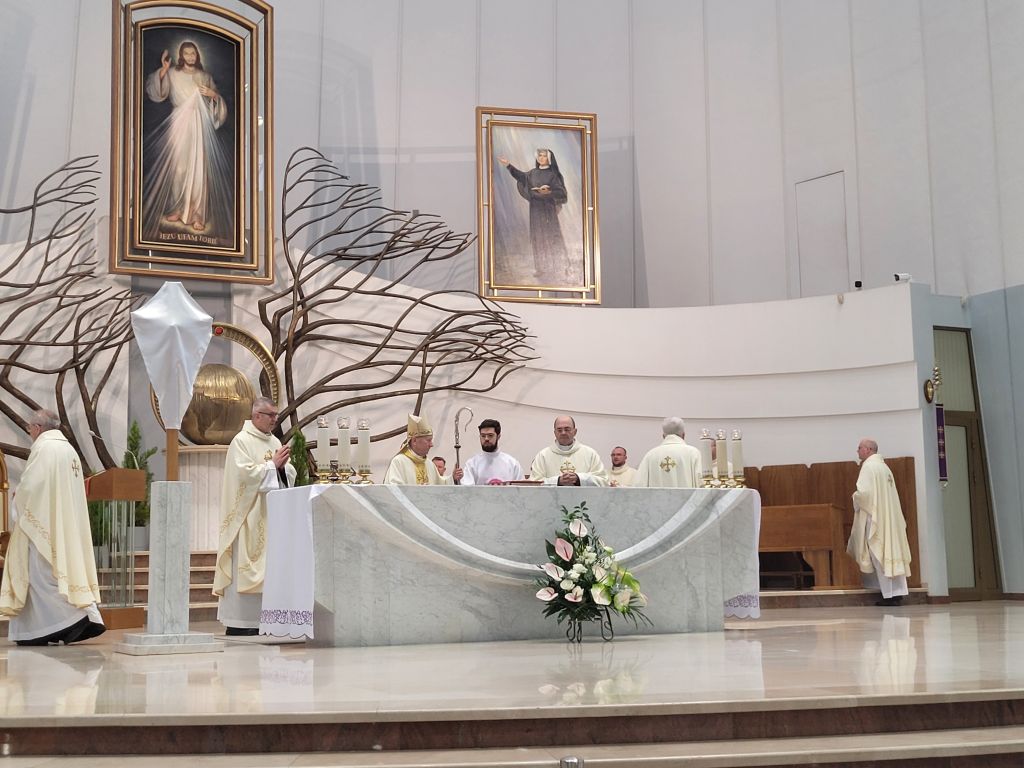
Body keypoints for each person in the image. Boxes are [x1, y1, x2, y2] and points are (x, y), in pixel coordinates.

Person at [0, 409, 105, 646]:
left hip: (43, 526)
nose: (30, 432)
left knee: (40, 577)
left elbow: (31, 486)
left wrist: (18, 498)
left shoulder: (44, 448)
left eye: (30, 428)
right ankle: (66, 623)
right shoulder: (68, 450)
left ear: (38, 428)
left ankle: (72, 621)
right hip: (65, 526)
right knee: (54, 576)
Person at [213, 397, 295, 636]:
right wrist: (272, 466)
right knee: (244, 566)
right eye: (271, 415)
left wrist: (282, 468)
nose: (275, 420)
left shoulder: (274, 441)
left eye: (276, 415)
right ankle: (240, 622)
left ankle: (265, 621)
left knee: (270, 569)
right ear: (257, 415)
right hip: (247, 517)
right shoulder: (241, 441)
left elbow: (288, 472)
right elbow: (242, 476)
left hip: (270, 516)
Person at [142, 40, 233, 245]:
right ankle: (178, 208)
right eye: (187, 53)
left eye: (193, 53)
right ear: (181, 55)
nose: (190, 56)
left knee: (199, 168)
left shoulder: (205, 76)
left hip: (199, 123)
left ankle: (197, 214)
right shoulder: (173, 73)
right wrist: (163, 70)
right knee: (179, 167)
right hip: (179, 121)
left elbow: (215, 104)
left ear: (197, 55)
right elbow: (157, 92)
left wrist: (214, 95)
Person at [846, 439, 912, 606]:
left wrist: (854, 497)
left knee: (879, 553)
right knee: (891, 553)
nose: (857, 450)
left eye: (859, 448)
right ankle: (898, 593)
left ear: (868, 449)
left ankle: (888, 595)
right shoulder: (884, 467)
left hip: (875, 517)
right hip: (888, 518)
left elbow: (865, 495)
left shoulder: (868, 466)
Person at [498, 149, 567, 281]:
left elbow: (562, 193)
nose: (541, 158)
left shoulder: (554, 175)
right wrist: (508, 165)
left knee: (550, 236)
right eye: (539, 155)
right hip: (535, 209)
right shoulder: (532, 173)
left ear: (549, 159)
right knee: (537, 237)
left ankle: (554, 266)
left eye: (544, 156)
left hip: (548, 210)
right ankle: (540, 268)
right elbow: (520, 176)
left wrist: (549, 192)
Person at [384, 414, 463, 485]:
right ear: (414, 441)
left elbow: (440, 485)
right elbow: (394, 490)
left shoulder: (429, 464)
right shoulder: (399, 462)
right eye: (428, 440)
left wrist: (453, 478)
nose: (431, 444)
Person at [529, 415, 606, 486]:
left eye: (567, 429)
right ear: (555, 433)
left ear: (575, 431)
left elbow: (603, 481)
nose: (563, 433)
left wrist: (579, 479)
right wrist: (558, 481)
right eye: (559, 430)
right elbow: (534, 483)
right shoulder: (543, 456)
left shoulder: (590, 454)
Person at [636, 417, 702, 488]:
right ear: (683, 435)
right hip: (689, 496)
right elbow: (701, 483)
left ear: (663, 436)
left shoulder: (650, 455)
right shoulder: (693, 453)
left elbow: (639, 485)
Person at [461, 419, 524, 485]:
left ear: (498, 436)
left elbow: (521, 488)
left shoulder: (512, 464)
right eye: (483, 436)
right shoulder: (472, 464)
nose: (486, 439)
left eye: (490, 435)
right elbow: (467, 489)